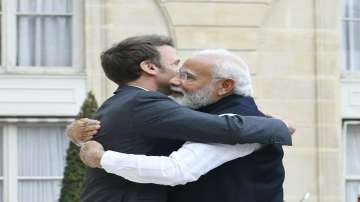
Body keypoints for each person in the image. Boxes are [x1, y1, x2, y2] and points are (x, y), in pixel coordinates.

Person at [67, 35, 292, 202]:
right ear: (149, 67)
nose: (178, 80)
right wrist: (278, 126)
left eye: (188, 76)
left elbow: (178, 167)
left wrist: (97, 154)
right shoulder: (146, 104)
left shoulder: (118, 102)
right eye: (177, 67)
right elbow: (225, 128)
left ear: (224, 86)